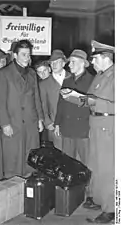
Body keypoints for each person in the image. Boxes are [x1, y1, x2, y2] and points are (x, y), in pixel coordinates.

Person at [0, 39, 44, 178]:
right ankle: (12, 190)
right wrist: (5, 124)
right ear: (15, 55)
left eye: (29, 55)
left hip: (30, 123)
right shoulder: (4, 74)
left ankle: (28, 192)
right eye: (23, 54)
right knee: (13, 160)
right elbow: (1, 101)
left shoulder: (32, 74)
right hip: (13, 123)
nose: (27, 58)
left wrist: (40, 119)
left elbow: (36, 98)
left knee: (30, 159)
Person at [82, 40, 115, 224]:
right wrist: (78, 99)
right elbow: (90, 99)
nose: (92, 63)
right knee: (95, 165)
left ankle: (111, 209)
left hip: (108, 126)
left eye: (95, 58)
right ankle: (100, 199)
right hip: (96, 124)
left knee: (108, 169)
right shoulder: (100, 75)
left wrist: (93, 103)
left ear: (106, 58)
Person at [54, 49, 94, 165]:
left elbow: (93, 103)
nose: (69, 65)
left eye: (73, 62)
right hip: (67, 128)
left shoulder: (92, 81)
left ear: (82, 63)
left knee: (86, 163)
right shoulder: (67, 81)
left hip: (84, 130)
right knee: (67, 162)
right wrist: (57, 123)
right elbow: (60, 103)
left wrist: (74, 98)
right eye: (69, 62)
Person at [39, 50, 70, 150]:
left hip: (72, 125)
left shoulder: (72, 78)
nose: (54, 65)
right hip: (54, 125)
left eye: (57, 61)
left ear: (64, 63)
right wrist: (47, 122)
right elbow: (43, 105)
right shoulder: (44, 84)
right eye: (52, 63)